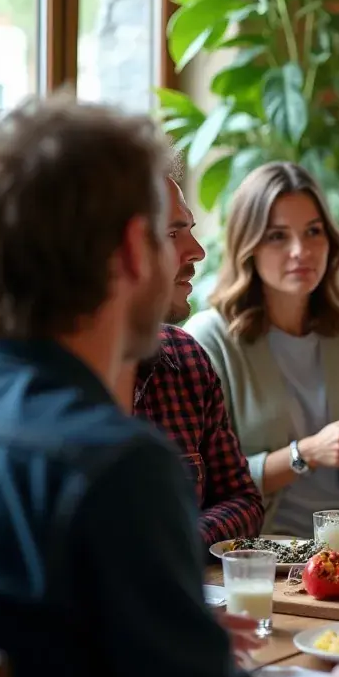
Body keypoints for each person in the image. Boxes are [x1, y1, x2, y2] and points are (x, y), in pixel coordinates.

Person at [0, 95, 339, 677]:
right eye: (172, 233)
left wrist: (150, 621)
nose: (201, 254)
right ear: (131, 251)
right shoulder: (116, 465)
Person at [187, 161, 339, 540]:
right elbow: (208, 485)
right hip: (262, 551)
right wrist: (307, 453)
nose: (300, 251)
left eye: (313, 232)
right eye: (277, 236)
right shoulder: (210, 339)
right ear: (248, 246)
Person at [117, 170, 265, 547]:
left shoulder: (186, 358)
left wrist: (175, 543)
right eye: (172, 234)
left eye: (190, 230)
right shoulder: (38, 385)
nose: (198, 251)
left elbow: (243, 501)